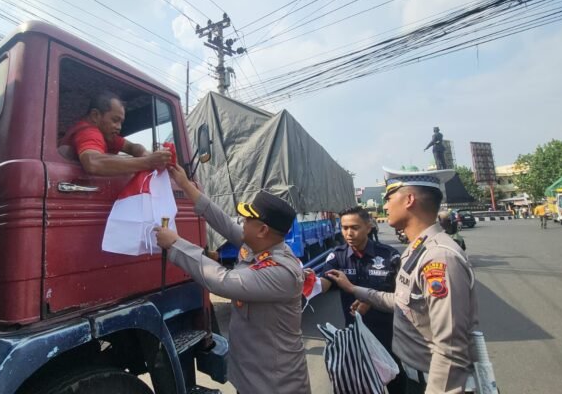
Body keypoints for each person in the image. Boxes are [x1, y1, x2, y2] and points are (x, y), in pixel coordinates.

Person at [154, 164, 311, 394]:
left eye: (247, 219)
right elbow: (225, 223)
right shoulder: (260, 245)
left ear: (263, 230)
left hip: (276, 384)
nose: (241, 221)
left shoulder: (280, 271)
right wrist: (186, 185)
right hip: (252, 376)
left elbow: (222, 280)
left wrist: (175, 243)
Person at [327, 168, 478, 394]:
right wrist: (354, 289)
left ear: (409, 200)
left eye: (389, 198)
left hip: (435, 383)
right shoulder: (416, 250)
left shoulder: (439, 257)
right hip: (413, 374)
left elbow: (451, 348)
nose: (385, 205)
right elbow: (403, 302)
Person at [318, 207, 405, 393]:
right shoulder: (338, 255)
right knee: (358, 383)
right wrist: (309, 282)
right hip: (355, 337)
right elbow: (325, 281)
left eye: (354, 227)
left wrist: (371, 300)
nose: (348, 233)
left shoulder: (390, 256)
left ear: (369, 226)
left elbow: (401, 294)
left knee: (395, 379)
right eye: (344, 227)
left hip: (388, 335)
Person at [59, 91, 171, 175]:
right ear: (95, 116)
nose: (119, 127)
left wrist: (145, 154)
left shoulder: (107, 134)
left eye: (121, 122)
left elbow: (132, 147)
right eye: (115, 120)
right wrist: (149, 162)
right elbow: (92, 162)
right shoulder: (89, 132)